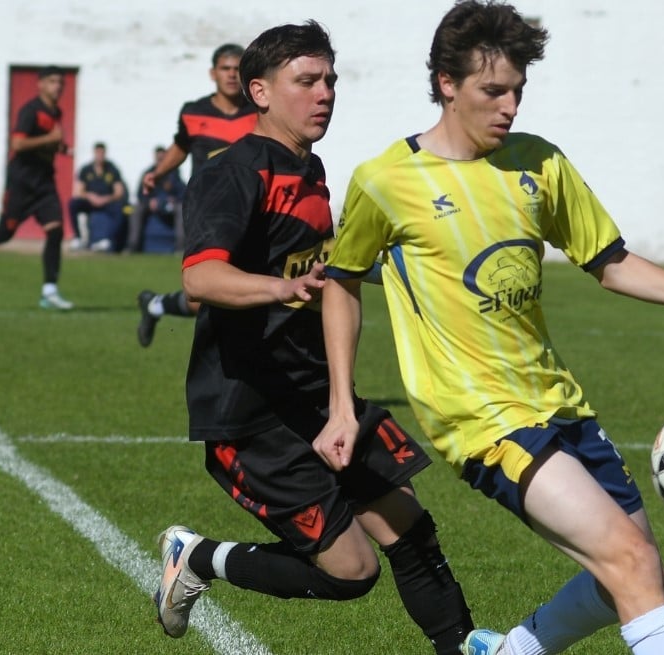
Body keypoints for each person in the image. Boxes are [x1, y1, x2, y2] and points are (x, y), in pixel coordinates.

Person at [315, 3, 664, 655]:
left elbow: (610, 262)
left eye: (519, 90)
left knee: (633, 576)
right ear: (446, 83)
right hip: (481, 416)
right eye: (494, 90)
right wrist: (342, 406)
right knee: (630, 560)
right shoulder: (386, 182)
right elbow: (342, 281)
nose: (510, 105)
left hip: (558, 401)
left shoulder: (539, 164)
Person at [152, 22, 475, 655]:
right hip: (250, 414)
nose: (325, 93)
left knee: (411, 532)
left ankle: (463, 648)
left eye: (330, 80)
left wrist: (341, 397)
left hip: (315, 393)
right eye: (307, 81)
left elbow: (321, 275)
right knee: (352, 572)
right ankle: (200, 559)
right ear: (260, 92)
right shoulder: (233, 173)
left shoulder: (314, 168)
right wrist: (276, 288)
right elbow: (201, 277)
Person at [135, 43, 258, 347]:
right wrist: (159, 173)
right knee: (205, 294)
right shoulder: (193, 113)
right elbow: (181, 146)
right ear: (212, 73)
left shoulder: (258, 112)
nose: (231, 75)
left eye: (237, 69)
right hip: (207, 212)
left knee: (251, 290)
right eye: (225, 68)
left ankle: (156, 305)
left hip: (251, 209)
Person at [0, 66, 75, 310]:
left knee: (56, 230)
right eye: (52, 82)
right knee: (5, 233)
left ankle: (49, 291)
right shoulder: (31, 111)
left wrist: (59, 148)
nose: (57, 87)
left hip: (44, 181)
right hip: (22, 181)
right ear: (40, 84)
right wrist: (50, 140)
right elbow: (17, 143)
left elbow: (45, 143)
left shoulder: (56, 112)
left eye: (60, 83)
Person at [68, 141, 128, 252]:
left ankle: (107, 240)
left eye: (102, 153)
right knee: (73, 204)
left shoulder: (112, 169)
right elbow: (78, 191)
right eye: (98, 152)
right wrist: (90, 196)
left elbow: (119, 192)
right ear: (94, 153)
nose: (100, 155)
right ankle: (78, 237)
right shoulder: (86, 170)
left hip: (107, 202)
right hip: (90, 202)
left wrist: (105, 199)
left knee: (123, 209)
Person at [126, 146, 185, 253]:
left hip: (169, 205)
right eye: (159, 158)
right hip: (151, 204)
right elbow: (141, 193)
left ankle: (180, 247)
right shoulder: (148, 173)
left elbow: (182, 191)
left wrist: (172, 199)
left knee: (181, 209)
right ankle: (132, 246)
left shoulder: (174, 173)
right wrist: (149, 201)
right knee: (135, 208)